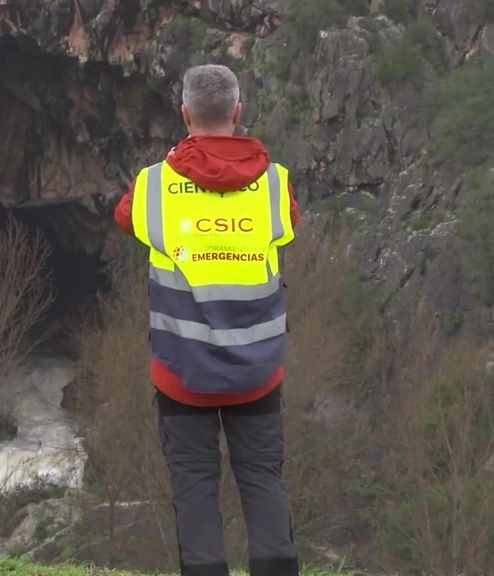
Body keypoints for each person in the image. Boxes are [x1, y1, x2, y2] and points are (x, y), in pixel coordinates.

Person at [113, 64, 300, 576]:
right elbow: (289, 225)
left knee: (194, 485)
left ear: (185, 114)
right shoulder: (274, 186)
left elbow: (125, 218)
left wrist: (177, 165)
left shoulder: (154, 186)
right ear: (238, 113)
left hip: (182, 370)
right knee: (263, 478)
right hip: (258, 371)